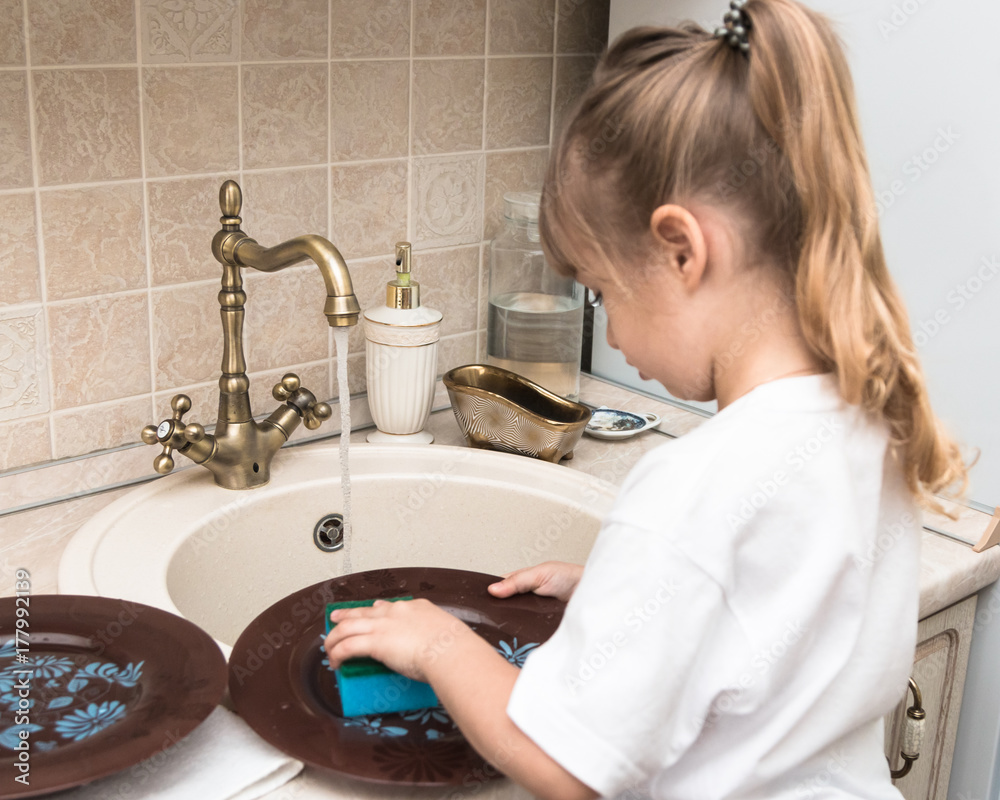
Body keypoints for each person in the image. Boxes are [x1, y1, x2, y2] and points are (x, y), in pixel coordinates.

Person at [323, 1, 968, 797]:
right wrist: (623, 597)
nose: (610, 331)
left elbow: (563, 767)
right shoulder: (872, 420)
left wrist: (439, 646)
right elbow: (782, 624)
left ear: (682, 251)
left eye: (601, 291)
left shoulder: (691, 487)